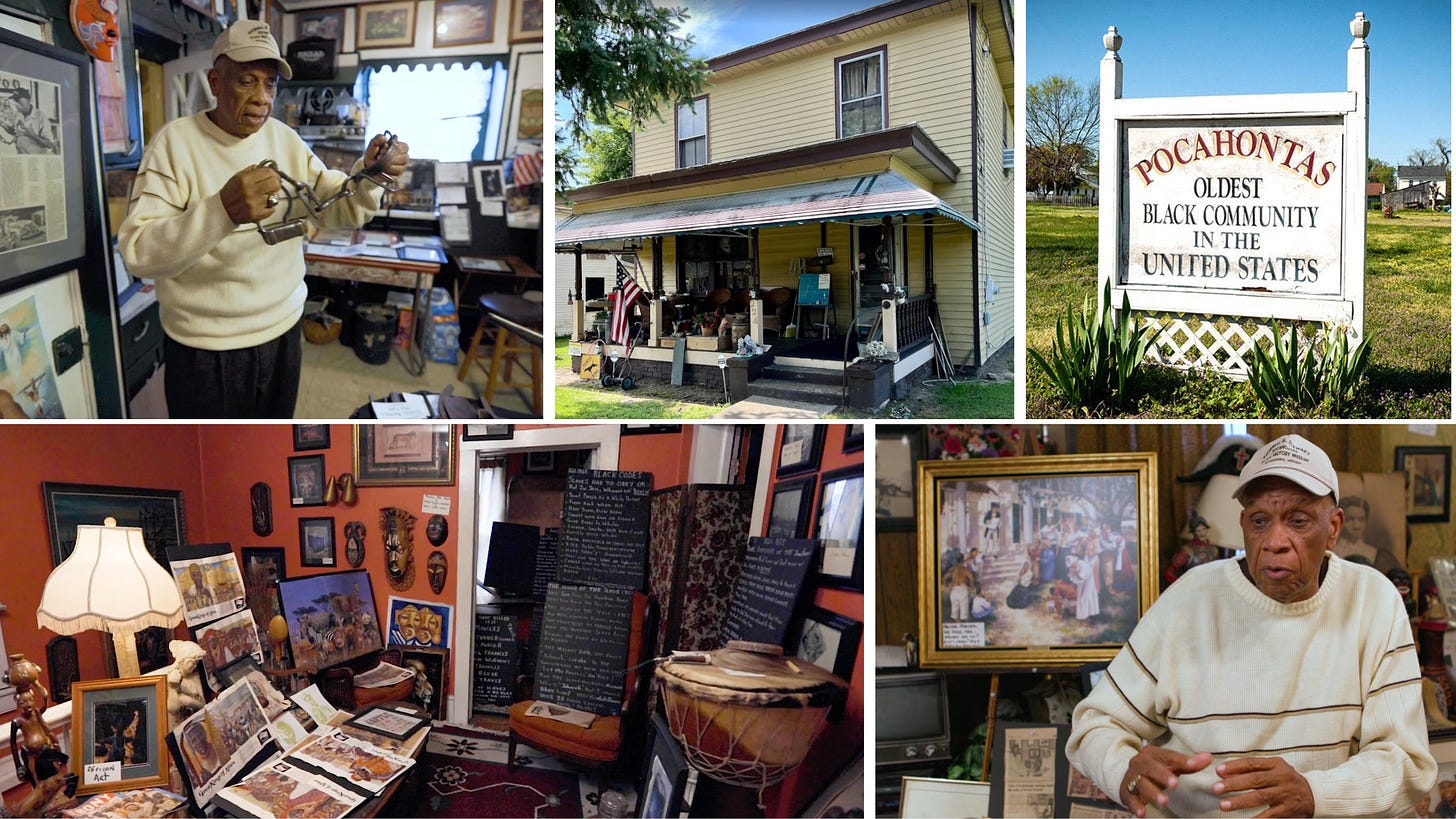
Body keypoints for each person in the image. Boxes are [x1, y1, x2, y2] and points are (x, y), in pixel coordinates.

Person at [1067, 434, 1435, 817]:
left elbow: (1406, 760)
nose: (1275, 541)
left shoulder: (1373, 600)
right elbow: (1096, 723)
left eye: (1298, 520)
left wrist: (1315, 794)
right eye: (1260, 521)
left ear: (1334, 527)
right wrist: (1122, 768)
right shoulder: (1188, 599)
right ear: (1243, 524)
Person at [117, 20, 409, 418]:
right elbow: (139, 252)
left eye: (269, 84)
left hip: (282, 334)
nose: (261, 99)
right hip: (205, 349)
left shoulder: (284, 139)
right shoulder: (174, 144)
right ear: (215, 82)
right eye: (246, 81)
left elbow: (340, 206)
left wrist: (371, 174)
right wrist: (221, 210)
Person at [1334, 495, 1401, 573]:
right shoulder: (1330, 552)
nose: (1356, 525)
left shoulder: (1378, 555)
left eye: (1361, 520)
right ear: (1340, 521)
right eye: (1350, 519)